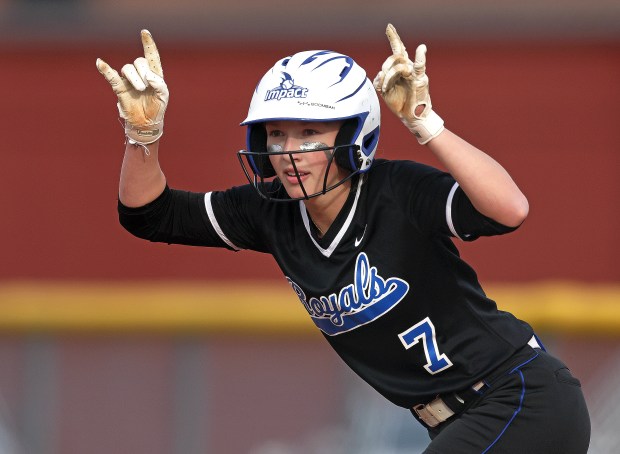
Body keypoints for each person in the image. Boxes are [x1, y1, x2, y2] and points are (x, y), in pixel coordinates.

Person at [96, 25, 590, 453]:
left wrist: (425, 122)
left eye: (310, 132)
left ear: (355, 136)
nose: (289, 151)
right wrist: (143, 135)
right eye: (277, 134)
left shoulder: (395, 191)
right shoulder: (271, 213)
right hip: (455, 426)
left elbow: (509, 209)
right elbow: (149, 216)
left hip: (521, 399)